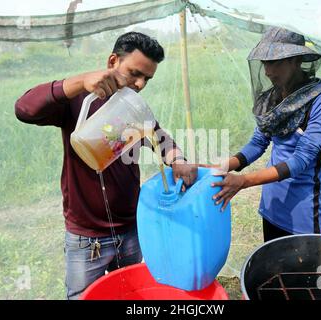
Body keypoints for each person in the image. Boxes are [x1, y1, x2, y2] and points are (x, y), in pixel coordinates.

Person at [15, 32, 198, 299]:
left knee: (131, 295)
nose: (140, 84)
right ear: (112, 61)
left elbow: (160, 138)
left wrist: (178, 159)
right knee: (82, 296)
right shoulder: (78, 102)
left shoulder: (134, 108)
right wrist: (79, 82)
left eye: (147, 78)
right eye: (134, 73)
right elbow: (24, 109)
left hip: (131, 230)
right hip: (86, 239)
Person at [211, 27, 321, 242]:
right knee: (271, 272)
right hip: (272, 206)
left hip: (302, 212)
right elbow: (258, 142)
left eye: (276, 62)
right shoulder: (273, 99)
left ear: (297, 61)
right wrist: (225, 166)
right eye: (265, 63)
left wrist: (244, 181)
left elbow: (301, 160)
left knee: (299, 274)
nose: (268, 71)